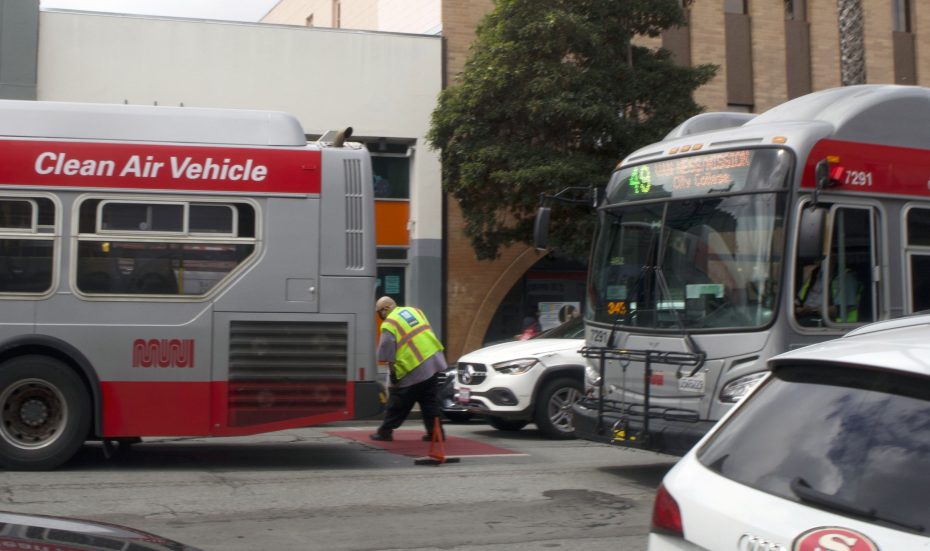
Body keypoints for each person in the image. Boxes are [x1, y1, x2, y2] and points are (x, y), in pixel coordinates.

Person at [370, 296, 447, 442]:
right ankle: (436, 433)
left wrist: (393, 375)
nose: (379, 315)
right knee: (429, 400)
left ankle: (384, 432)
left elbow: (387, 354)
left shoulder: (389, 323)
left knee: (398, 401)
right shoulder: (415, 311)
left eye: (379, 311)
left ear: (386, 309)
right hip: (433, 360)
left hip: (414, 367)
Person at [796, 260, 861, 325]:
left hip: (835, 324)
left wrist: (814, 310)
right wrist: (799, 309)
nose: (816, 261)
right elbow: (799, 300)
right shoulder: (815, 273)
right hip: (808, 316)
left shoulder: (846, 277)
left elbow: (842, 309)